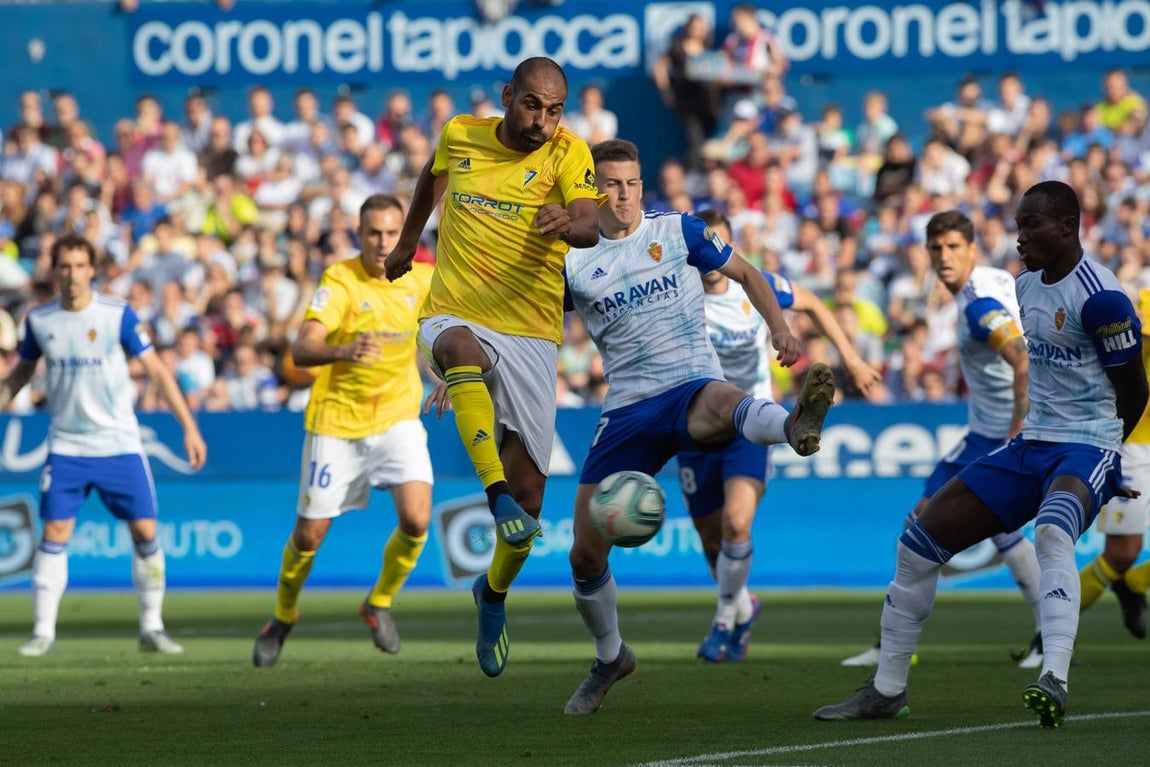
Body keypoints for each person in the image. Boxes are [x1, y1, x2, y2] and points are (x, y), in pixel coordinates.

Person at [813, 181, 1149, 728]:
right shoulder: (1025, 287)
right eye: (1017, 226)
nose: (1019, 238)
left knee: (1053, 532)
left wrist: (1109, 456)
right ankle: (886, 689)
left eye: (1031, 226)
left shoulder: (1103, 299)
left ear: (1067, 226)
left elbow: (1135, 390)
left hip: (1086, 444)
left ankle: (1054, 676)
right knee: (918, 544)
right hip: (1029, 442)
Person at [560, 138, 834, 714]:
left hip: (690, 382)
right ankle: (611, 656)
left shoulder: (677, 231)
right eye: (612, 184)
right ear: (592, 189)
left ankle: (791, 426)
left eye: (633, 182)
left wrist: (781, 330)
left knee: (722, 400)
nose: (626, 194)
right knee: (584, 555)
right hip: (628, 408)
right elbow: (523, 325)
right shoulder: (571, 261)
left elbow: (750, 273)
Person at [384, 56, 602, 678]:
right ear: (508, 96)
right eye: (532, 104)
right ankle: (493, 493)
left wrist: (573, 223)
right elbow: (431, 174)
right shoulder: (461, 134)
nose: (543, 120)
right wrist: (408, 241)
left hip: (531, 329)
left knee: (530, 510)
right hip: (454, 310)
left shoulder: (567, 153)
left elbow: (589, 219)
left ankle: (493, 594)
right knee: (458, 352)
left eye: (555, 109)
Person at [839, 210, 1045, 670]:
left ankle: (892, 648)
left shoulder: (976, 306)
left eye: (954, 247)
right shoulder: (990, 281)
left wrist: (1015, 439)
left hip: (998, 436)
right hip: (984, 433)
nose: (945, 256)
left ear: (972, 249)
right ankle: (894, 644)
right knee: (969, 530)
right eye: (937, 248)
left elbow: (1023, 361)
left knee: (925, 530)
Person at [680, 208, 882, 663]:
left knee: (736, 523)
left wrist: (851, 359)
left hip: (749, 423)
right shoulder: (677, 293)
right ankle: (742, 603)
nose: (714, 256)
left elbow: (811, 303)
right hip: (694, 425)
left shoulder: (753, 286)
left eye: (723, 246)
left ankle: (723, 619)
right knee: (712, 540)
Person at [0, 233, 207, 657]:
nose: (73, 274)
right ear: (55, 270)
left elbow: (157, 372)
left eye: (80, 266)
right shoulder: (40, 320)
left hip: (119, 443)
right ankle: (43, 631)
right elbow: (20, 374)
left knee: (145, 531)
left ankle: (152, 626)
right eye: (65, 266)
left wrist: (189, 426)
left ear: (92, 269)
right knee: (54, 533)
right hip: (67, 446)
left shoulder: (118, 315)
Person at [252, 195, 435, 667]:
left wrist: (455, 374)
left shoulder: (425, 279)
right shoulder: (340, 280)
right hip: (336, 422)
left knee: (417, 521)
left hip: (397, 417)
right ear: (359, 235)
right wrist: (345, 350)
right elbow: (302, 348)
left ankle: (379, 602)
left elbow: (455, 329)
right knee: (310, 537)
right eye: (373, 233)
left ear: (406, 235)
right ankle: (283, 615)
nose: (383, 242)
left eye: (392, 233)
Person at [1077, 287, 1150, 640]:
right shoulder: (1142, 308)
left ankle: (1136, 583)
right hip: (1134, 447)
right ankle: (1047, 634)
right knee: (1122, 554)